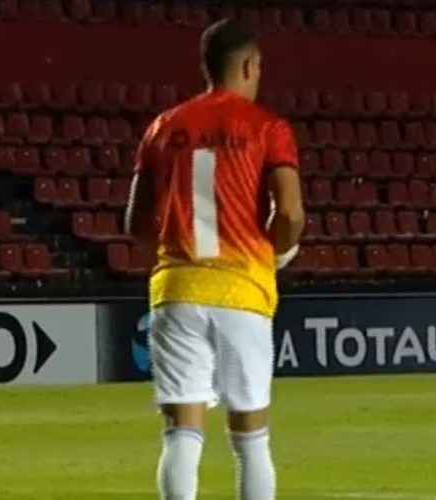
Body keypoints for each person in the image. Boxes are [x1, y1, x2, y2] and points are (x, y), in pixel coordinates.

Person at [124, 18, 304, 500]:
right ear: (248, 65)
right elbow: (288, 211)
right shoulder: (267, 127)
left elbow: (136, 223)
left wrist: (176, 257)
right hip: (242, 289)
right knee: (251, 438)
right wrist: (277, 249)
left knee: (181, 432)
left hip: (178, 289)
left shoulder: (163, 126)